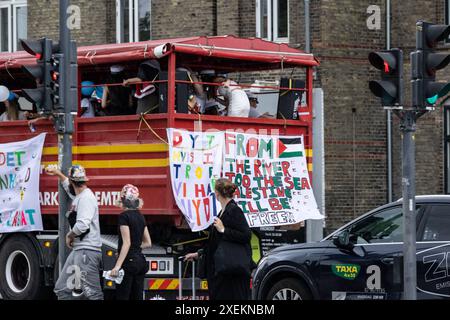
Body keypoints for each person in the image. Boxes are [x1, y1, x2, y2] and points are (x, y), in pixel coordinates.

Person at [184, 178, 252, 300]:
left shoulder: (234, 210)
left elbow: (246, 235)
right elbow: (216, 243)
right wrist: (198, 253)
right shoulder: (224, 211)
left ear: (217, 193)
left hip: (230, 274)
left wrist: (223, 230)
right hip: (222, 272)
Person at [45, 164, 104, 300]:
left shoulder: (85, 198)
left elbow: (82, 225)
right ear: (84, 180)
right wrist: (58, 174)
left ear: (73, 181)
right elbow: (69, 187)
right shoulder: (80, 195)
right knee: (62, 290)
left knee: (92, 294)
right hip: (80, 251)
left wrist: (69, 235)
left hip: (86, 252)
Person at [110, 184, 152, 300]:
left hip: (129, 264)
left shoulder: (124, 216)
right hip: (140, 262)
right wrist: (134, 249)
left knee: (123, 296)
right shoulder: (141, 216)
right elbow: (148, 242)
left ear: (122, 199)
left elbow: (126, 243)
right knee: (137, 296)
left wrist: (117, 266)